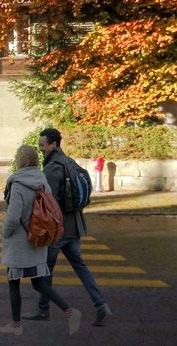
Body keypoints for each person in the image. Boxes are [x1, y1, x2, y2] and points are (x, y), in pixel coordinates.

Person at [29, 128, 113, 326]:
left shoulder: (52, 168)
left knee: (45, 269)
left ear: (54, 144)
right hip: (75, 226)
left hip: (57, 229)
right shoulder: (71, 162)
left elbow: (46, 201)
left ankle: (43, 310)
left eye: (43, 145)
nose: (40, 148)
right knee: (80, 267)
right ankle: (101, 305)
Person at [0, 144, 80, 336]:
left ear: (20, 160)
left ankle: (16, 326)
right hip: (38, 239)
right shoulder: (42, 179)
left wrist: (5, 232)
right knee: (39, 283)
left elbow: (13, 216)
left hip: (20, 243)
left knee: (13, 282)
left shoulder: (17, 183)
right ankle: (70, 311)